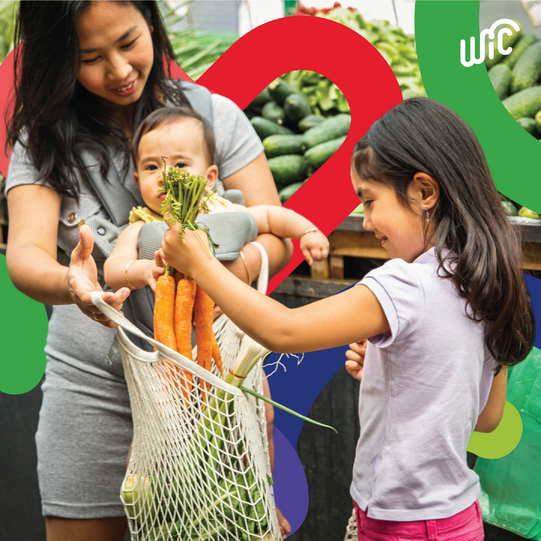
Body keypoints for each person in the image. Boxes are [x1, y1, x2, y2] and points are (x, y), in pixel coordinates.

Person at [158, 97, 536, 541]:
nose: (367, 220)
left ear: (424, 191)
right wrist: (398, 375)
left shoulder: (405, 283)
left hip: (402, 525)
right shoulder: (486, 284)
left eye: (371, 201)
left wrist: (200, 264)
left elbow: (285, 330)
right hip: (458, 521)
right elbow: (485, 418)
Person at [4, 1, 291, 540]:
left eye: (129, 41)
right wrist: (74, 283)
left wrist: (224, 264)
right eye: (90, 57)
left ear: (153, 25)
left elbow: (272, 232)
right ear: (59, 60)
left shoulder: (214, 116)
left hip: (208, 381)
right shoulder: (42, 139)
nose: (118, 70)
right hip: (92, 385)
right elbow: (25, 255)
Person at [103, 106, 329, 292]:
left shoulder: (223, 210)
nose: (165, 177)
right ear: (137, 179)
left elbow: (270, 216)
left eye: (180, 165)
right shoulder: (141, 226)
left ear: (209, 178)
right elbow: (113, 269)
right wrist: (143, 270)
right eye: (151, 167)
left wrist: (307, 232)